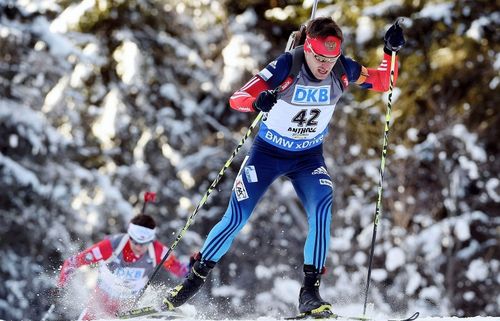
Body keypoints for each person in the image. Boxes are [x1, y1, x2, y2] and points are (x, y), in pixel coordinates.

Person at [161, 17, 406, 317]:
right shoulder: (287, 65)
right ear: (308, 49)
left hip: (308, 158)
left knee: (323, 207)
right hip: (267, 154)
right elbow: (238, 98)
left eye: (331, 58)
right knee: (236, 217)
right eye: (319, 57)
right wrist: (257, 102)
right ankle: (191, 283)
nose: (325, 65)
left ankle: (310, 294)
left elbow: (385, 81)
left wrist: (389, 50)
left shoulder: (344, 68)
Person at [57, 214, 189, 320]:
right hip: (100, 302)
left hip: (129, 304)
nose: (139, 247)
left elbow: (179, 269)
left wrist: (193, 267)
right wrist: (62, 284)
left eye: (144, 243)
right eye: (136, 242)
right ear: (130, 236)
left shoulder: (158, 251)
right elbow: (73, 262)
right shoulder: (110, 246)